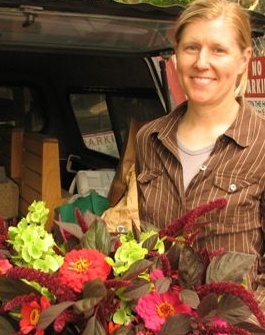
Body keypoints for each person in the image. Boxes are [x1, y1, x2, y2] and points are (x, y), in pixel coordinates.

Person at [135, 0, 265, 314]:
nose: (201, 62)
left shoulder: (261, 145)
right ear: (176, 54)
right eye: (191, 47)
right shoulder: (149, 140)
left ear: (242, 59)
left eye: (218, 50)